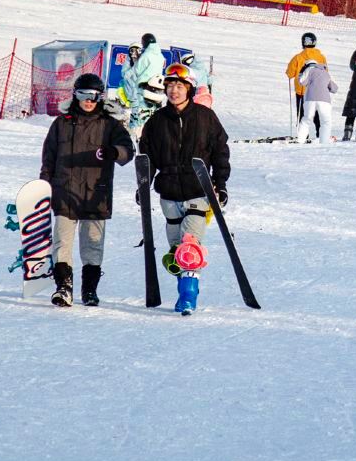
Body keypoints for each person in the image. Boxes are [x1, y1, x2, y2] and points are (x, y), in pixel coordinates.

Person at [138, 62, 230, 316]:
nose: (174, 90)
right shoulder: (156, 122)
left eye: (179, 85)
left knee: (190, 243)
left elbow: (220, 152)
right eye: (170, 85)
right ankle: (185, 286)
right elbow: (147, 156)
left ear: (189, 88)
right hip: (167, 192)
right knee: (177, 246)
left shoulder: (205, 117)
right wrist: (143, 186)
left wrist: (220, 186)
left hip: (197, 190)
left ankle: (188, 295)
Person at [39, 72, 134, 307]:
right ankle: (63, 287)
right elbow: (48, 157)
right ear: (75, 95)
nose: (88, 100)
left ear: (100, 97)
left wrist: (114, 152)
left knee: (93, 244)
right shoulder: (62, 123)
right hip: (65, 192)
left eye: (93, 95)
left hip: (95, 193)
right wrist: (44, 184)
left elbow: (127, 150)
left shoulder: (109, 125)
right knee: (62, 242)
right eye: (83, 94)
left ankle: (89, 290)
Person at [286, 32, 328, 134]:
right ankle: (320, 133)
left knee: (302, 114)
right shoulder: (321, 57)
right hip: (317, 91)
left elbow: (290, 73)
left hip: (302, 91)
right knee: (317, 113)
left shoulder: (297, 57)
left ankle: (303, 135)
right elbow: (325, 72)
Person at [294, 60, 338, 144]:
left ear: (306, 65)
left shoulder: (309, 70)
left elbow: (302, 82)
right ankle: (324, 142)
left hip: (310, 99)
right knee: (326, 121)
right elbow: (334, 88)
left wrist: (301, 73)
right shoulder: (325, 72)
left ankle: (300, 140)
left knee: (306, 120)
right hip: (325, 101)